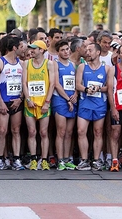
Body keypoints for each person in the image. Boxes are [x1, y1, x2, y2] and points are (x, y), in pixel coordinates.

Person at [75, 43, 111, 171]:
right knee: (81, 131)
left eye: (90, 50)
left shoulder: (106, 68)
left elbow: (109, 87)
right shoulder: (82, 67)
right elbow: (77, 85)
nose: (88, 52)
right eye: (87, 50)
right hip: (85, 103)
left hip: (99, 104)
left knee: (98, 132)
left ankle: (96, 160)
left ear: (98, 53)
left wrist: (99, 88)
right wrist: (85, 89)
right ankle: (84, 160)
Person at [0, 36, 25, 170]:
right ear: (14, 48)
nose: (23, 49)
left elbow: (25, 84)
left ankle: (16, 159)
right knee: (2, 130)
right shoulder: (0, 62)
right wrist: (0, 102)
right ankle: (0, 159)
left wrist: (20, 99)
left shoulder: (22, 63)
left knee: (16, 130)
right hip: (4, 101)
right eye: (21, 47)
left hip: (17, 101)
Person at [22, 40, 55, 170]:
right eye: (31, 48)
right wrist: (28, 99)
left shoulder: (49, 64)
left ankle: (45, 160)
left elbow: (52, 83)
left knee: (43, 132)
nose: (31, 51)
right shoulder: (26, 63)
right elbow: (24, 83)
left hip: (43, 103)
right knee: (32, 131)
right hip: (30, 103)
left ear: (41, 50)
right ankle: (34, 159)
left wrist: (47, 102)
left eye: (34, 49)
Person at [52, 40, 78, 170]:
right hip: (60, 100)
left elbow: (76, 83)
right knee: (61, 131)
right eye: (62, 50)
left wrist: (75, 95)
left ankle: (67, 159)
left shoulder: (73, 65)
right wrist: (67, 99)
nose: (66, 52)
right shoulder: (55, 64)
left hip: (72, 100)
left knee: (69, 132)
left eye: (67, 49)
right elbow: (56, 84)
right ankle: (60, 160)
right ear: (58, 52)